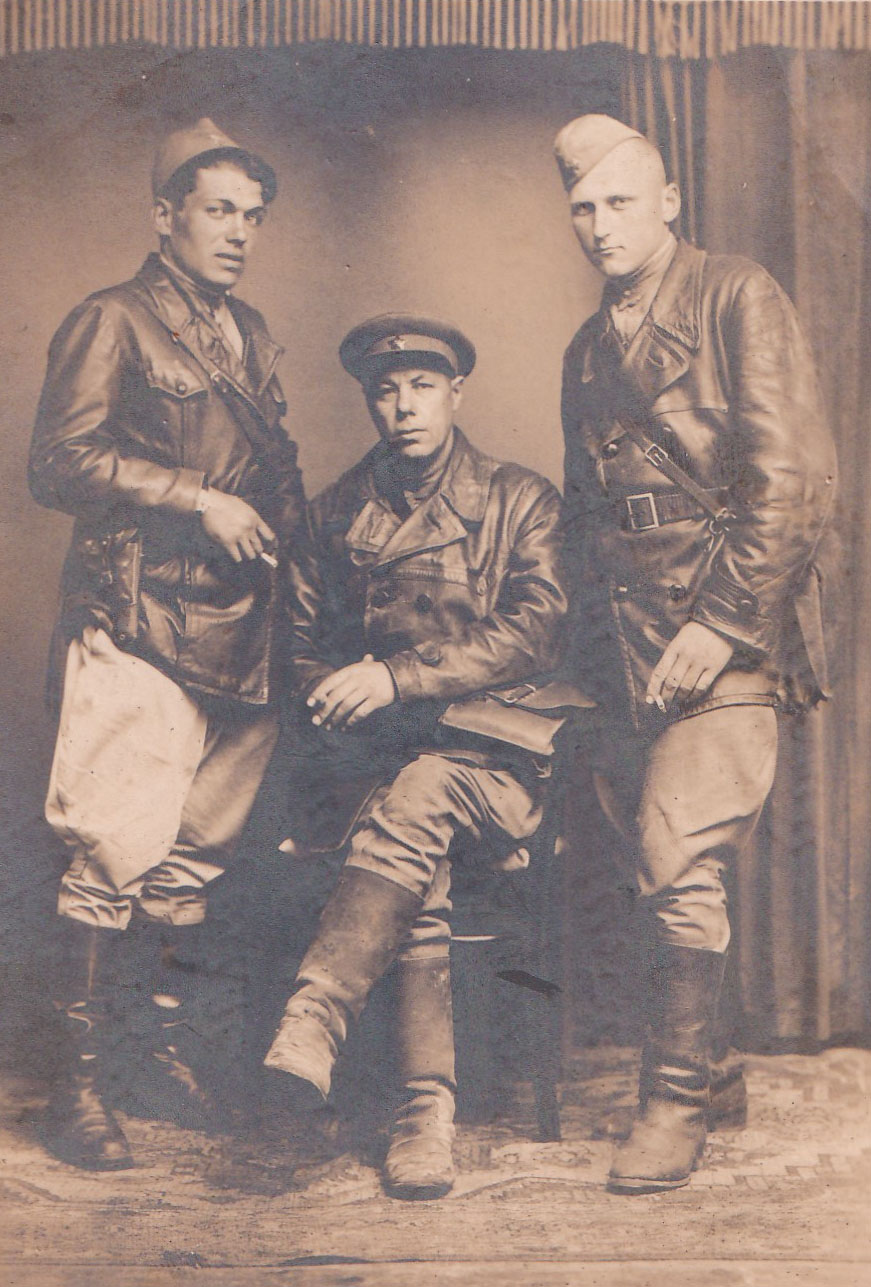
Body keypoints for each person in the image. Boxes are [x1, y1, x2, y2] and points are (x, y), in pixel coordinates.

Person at [551, 115, 838, 1194]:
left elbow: (794, 479)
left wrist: (718, 622)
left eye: (620, 202)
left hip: (727, 629)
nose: (600, 226)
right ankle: (712, 1073)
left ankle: (672, 1104)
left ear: (669, 202)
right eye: (582, 208)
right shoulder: (586, 350)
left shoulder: (735, 295)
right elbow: (584, 514)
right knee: (647, 858)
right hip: (626, 646)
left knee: (675, 858)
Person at [28, 118, 305, 1169]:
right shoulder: (112, 319)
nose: (238, 233)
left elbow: (272, 473)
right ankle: (77, 1088)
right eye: (217, 210)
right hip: (141, 620)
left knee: (191, 858)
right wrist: (193, 497)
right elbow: (58, 462)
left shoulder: (252, 332)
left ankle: (149, 1055)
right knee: (112, 848)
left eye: (252, 216)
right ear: (164, 216)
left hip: (241, 632)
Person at [263, 314, 573, 1199]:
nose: (403, 407)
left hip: (499, 763)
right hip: (379, 768)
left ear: (455, 393)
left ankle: (318, 1014)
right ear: (369, 400)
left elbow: (535, 627)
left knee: (424, 788)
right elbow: (300, 646)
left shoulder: (519, 500)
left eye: (423, 387)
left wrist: (395, 677)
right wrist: (338, 693)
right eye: (386, 390)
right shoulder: (335, 512)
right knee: (411, 836)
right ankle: (424, 1115)